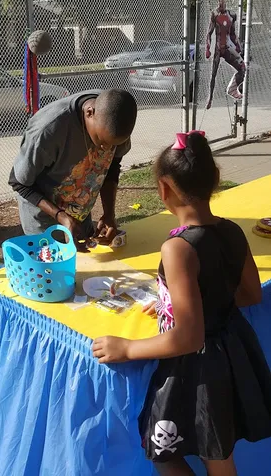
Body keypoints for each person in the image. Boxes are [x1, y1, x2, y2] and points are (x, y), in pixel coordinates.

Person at [92, 131, 271, 476]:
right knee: (217, 451)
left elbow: (189, 338)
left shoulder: (177, 249)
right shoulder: (233, 230)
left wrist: (127, 348)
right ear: (215, 180)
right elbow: (251, 294)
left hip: (196, 368)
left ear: (163, 189)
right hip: (235, 354)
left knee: (163, 452)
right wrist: (180, 301)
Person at [9, 89, 137, 250]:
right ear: (90, 113)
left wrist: (109, 214)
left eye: (113, 144)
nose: (107, 148)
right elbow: (19, 183)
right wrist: (61, 216)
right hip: (44, 219)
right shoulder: (48, 130)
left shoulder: (117, 118)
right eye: (101, 141)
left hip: (79, 212)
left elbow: (111, 168)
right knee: (51, 267)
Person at [205, 0, 245, 110]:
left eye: (224, 2)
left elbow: (232, 34)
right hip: (218, 49)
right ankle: (210, 98)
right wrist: (208, 48)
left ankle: (232, 89)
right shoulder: (215, 14)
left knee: (242, 68)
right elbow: (209, 33)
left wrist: (237, 46)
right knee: (213, 74)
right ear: (218, 2)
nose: (222, 4)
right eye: (220, 2)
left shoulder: (231, 15)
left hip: (227, 48)